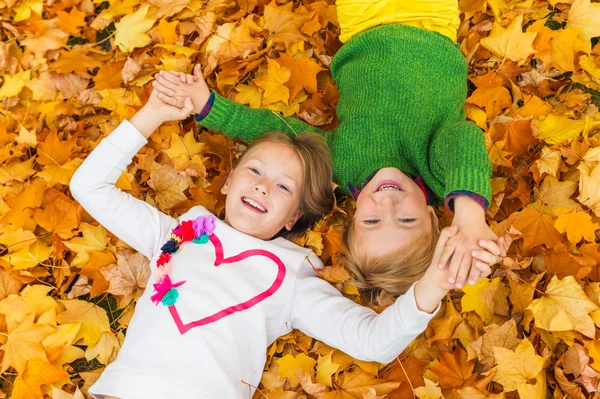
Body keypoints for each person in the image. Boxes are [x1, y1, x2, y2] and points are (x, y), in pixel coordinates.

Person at [70, 86, 501, 398]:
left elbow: (372, 341)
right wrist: (151, 114)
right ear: (227, 183)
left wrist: (435, 284)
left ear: (294, 216)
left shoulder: (291, 279)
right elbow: (89, 187)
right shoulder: (174, 235)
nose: (262, 187)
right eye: (255, 171)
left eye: (282, 187)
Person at [153, 0, 500, 302]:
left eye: (372, 221)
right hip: (430, 20)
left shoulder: (341, 166)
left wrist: (210, 107)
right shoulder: (437, 175)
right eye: (406, 220)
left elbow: (279, 135)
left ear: (353, 219)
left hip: (363, 23)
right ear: (432, 216)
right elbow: (464, 139)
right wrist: (469, 214)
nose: (388, 204)